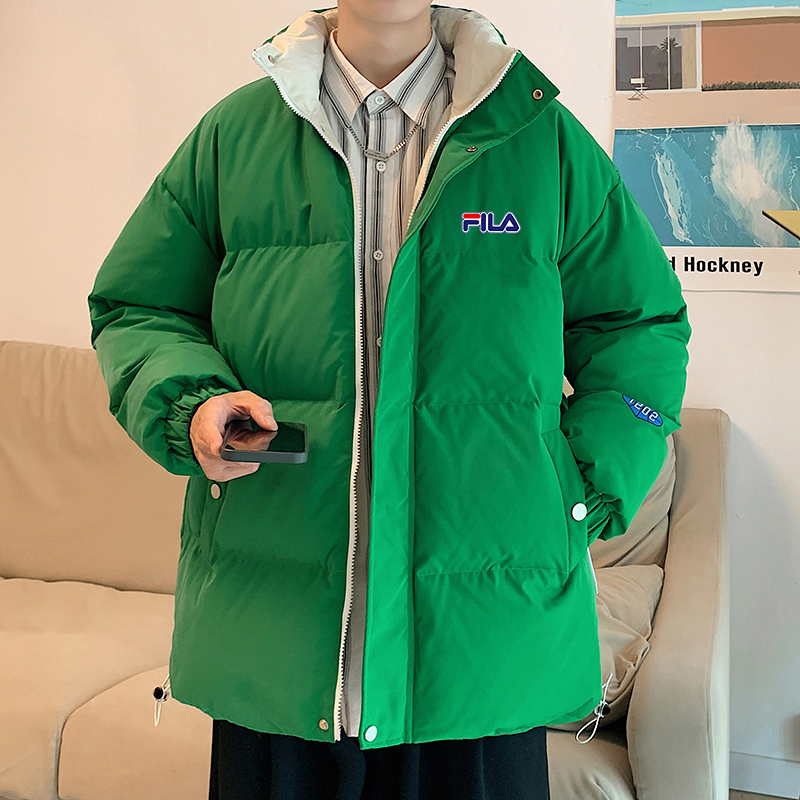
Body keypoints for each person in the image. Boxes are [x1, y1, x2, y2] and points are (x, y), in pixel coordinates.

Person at [87, 2, 691, 799]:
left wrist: (579, 490)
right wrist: (189, 406)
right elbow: (137, 306)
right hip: (274, 638)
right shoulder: (234, 139)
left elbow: (639, 326)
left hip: (482, 653)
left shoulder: (538, 139)